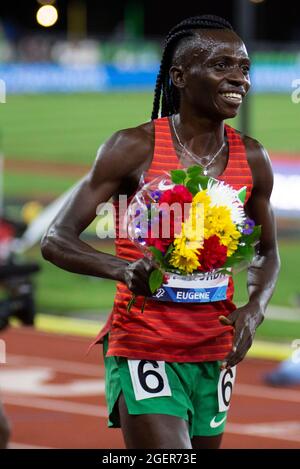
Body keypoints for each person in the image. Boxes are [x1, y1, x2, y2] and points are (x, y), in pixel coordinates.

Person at [41, 14, 280, 449]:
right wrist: (122, 269)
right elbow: (56, 240)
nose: (239, 79)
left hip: (216, 347)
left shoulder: (253, 158)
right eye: (222, 66)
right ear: (180, 76)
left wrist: (255, 308)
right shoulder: (133, 148)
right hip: (145, 342)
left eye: (244, 68)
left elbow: (267, 252)